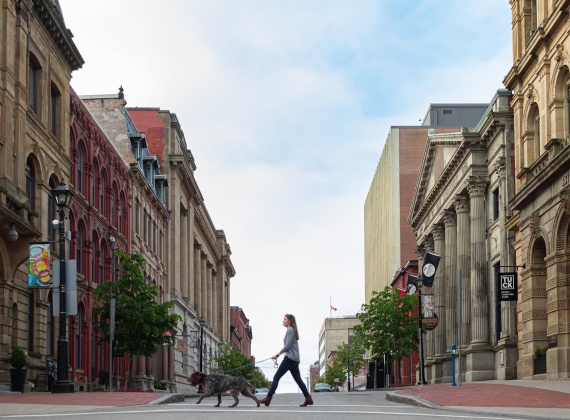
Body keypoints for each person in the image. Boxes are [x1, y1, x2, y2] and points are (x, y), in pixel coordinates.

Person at [258, 314, 313, 407]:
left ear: (290, 321)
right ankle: (308, 398)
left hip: (290, 358)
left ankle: (268, 399)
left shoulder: (290, 330)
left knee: (276, 377)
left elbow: (287, 346)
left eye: (284, 319)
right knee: (298, 380)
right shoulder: (291, 330)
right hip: (294, 359)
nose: (283, 321)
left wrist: (277, 354)